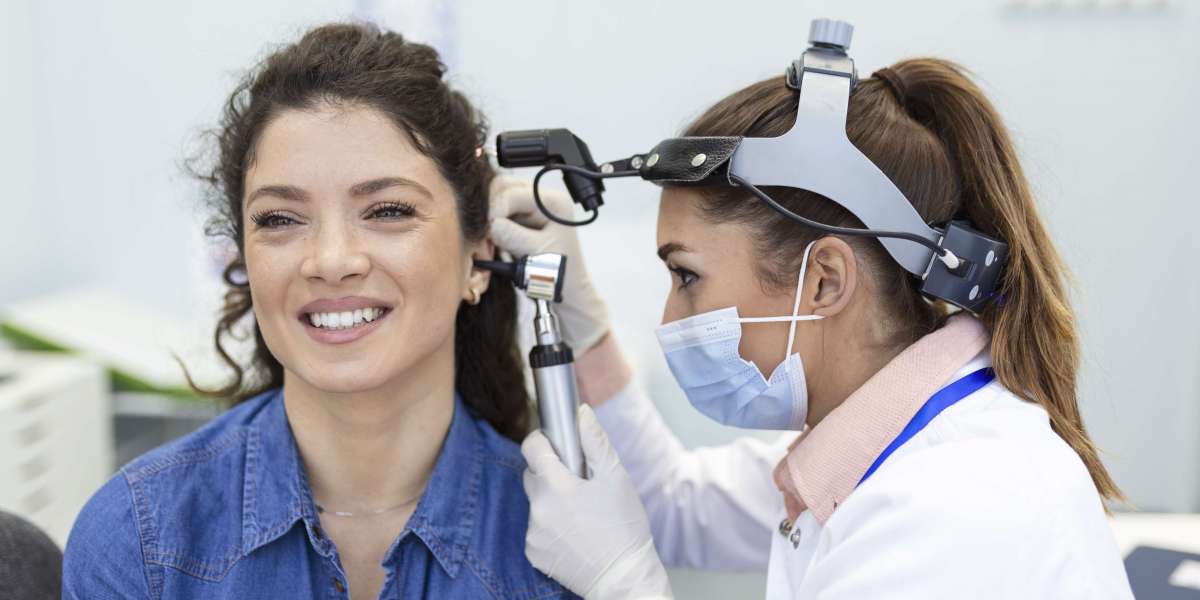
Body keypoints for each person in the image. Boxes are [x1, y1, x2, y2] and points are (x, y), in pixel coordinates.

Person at [492, 57, 1135, 598]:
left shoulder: (951, 505)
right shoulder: (875, 440)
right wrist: (583, 316)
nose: (669, 320)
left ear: (823, 280)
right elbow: (672, 504)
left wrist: (622, 581)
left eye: (687, 277)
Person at [62, 23, 575, 600]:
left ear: (478, 259)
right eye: (280, 219)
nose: (331, 261)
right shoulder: (139, 541)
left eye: (387, 210)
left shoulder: (567, 550)